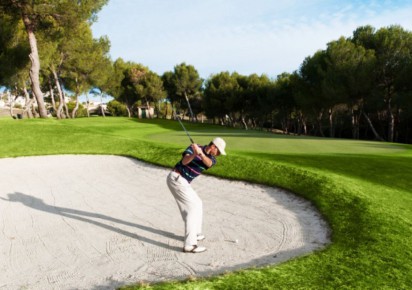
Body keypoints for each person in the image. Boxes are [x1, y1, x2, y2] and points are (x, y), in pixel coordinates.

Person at [166, 137, 227, 253]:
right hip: (176, 178)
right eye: (218, 151)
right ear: (213, 146)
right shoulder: (193, 148)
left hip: (183, 181)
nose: (218, 154)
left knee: (198, 203)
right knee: (192, 209)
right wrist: (194, 153)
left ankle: (196, 233)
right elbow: (184, 161)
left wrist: (201, 154)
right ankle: (190, 244)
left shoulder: (212, 159)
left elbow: (208, 163)